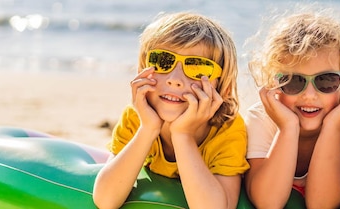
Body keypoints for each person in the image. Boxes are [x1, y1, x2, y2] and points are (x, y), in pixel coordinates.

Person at [92, 12, 249, 209]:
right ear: (143, 70)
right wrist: (148, 129)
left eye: (198, 68)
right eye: (162, 61)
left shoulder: (227, 130)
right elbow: (106, 201)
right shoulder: (137, 118)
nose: (174, 78)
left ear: (222, 88)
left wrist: (182, 134)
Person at [244, 5, 340, 209]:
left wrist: (333, 128)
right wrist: (288, 128)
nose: (309, 95)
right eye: (293, 81)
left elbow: (322, 204)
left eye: (326, 81)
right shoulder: (260, 119)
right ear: (273, 83)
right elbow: (268, 203)